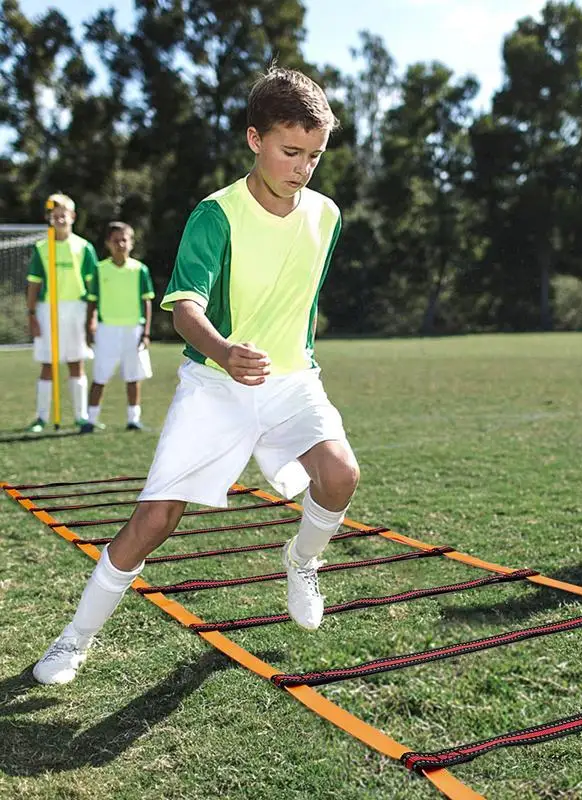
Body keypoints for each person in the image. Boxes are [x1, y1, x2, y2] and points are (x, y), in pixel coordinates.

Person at [33, 65, 360, 685]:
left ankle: (301, 561)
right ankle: (74, 639)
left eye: (315, 155)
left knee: (341, 474)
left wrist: (288, 357)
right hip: (215, 382)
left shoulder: (327, 215)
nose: (303, 168)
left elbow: (303, 301)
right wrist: (225, 351)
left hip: (292, 381)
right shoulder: (215, 214)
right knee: (155, 519)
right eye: (290, 152)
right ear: (254, 139)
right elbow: (185, 309)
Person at [25, 193, 96, 432]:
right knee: (48, 364)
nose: (59, 219)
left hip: (77, 308)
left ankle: (81, 416)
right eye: (54, 216)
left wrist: (92, 317)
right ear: (49, 218)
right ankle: (41, 418)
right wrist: (31, 314)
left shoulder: (84, 247)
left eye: (63, 215)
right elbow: (33, 283)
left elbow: (92, 287)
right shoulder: (41, 247)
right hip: (47, 309)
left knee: (76, 363)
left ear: (73, 216)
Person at [81, 221, 155, 433]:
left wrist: (146, 332)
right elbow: (92, 302)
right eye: (115, 240)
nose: (120, 244)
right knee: (100, 376)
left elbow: (147, 301)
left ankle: (133, 419)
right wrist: (89, 327)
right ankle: (91, 419)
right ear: (108, 243)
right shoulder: (99, 269)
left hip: (134, 329)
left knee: (133, 377)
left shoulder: (140, 270)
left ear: (131, 243)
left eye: (124, 240)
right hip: (107, 330)